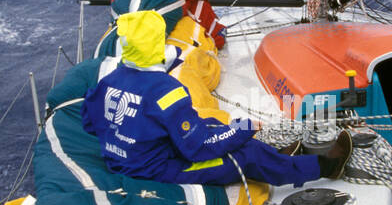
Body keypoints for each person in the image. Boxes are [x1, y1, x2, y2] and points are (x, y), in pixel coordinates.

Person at [82, 10, 351, 186]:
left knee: (220, 129)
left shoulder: (109, 81)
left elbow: (90, 123)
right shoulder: (166, 90)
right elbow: (199, 148)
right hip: (155, 171)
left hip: (125, 159)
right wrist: (246, 126)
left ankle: (277, 157)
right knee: (247, 153)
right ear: (155, 44)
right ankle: (325, 167)